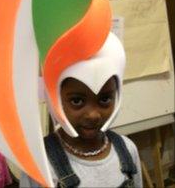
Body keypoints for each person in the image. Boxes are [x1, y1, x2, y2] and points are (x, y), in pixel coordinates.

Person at [20, 32, 143, 188]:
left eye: (104, 99)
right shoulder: (40, 163)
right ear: (55, 99)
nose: (93, 115)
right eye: (77, 101)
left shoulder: (127, 149)